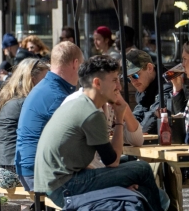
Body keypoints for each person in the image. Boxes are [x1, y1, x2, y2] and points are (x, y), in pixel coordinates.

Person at [33, 55, 163, 211]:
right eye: (114, 80)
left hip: (56, 184)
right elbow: (112, 161)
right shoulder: (91, 113)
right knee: (142, 169)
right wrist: (120, 118)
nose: (119, 87)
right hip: (66, 188)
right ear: (97, 83)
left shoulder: (78, 103)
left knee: (141, 187)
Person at [15, 41, 83, 190]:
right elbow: (76, 141)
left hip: (28, 170)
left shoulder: (46, 87)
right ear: (75, 63)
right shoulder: (58, 96)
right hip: (39, 174)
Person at [0, 58, 50, 189]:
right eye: (45, 79)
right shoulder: (27, 104)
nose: (48, 83)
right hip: (13, 170)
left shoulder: (12, 101)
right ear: (32, 79)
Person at [169, 38, 189, 143]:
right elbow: (184, 122)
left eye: (185, 59)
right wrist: (177, 88)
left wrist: (188, 138)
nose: (182, 64)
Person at [125, 49, 166, 135]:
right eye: (129, 78)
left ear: (150, 68)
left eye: (135, 75)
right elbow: (139, 112)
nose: (133, 81)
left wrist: (134, 132)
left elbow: (151, 119)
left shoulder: (166, 85)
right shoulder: (144, 88)